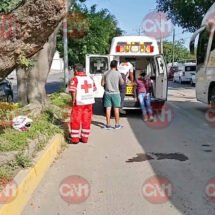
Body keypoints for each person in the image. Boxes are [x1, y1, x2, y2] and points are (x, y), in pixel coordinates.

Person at [69, 64, 96, 144]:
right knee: (87, 120)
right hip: (89, 102)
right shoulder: (90, 78)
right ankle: (84, 138)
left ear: (76, 71)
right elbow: (94, 89)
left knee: (76, 119)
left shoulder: (75, 79)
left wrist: (73, 100)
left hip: (79, 103)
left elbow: (73, 90)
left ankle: (75, 139)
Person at [101, 60, 124, 129]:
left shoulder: (105, 73)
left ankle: (108, 125)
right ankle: (117, 125)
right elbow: (122, 83)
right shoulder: (118, 73)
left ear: (110, 65)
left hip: (107, 93)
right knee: (116, 109)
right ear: (116, 66)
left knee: (108, 109)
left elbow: (102, 84)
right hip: (116, 93)